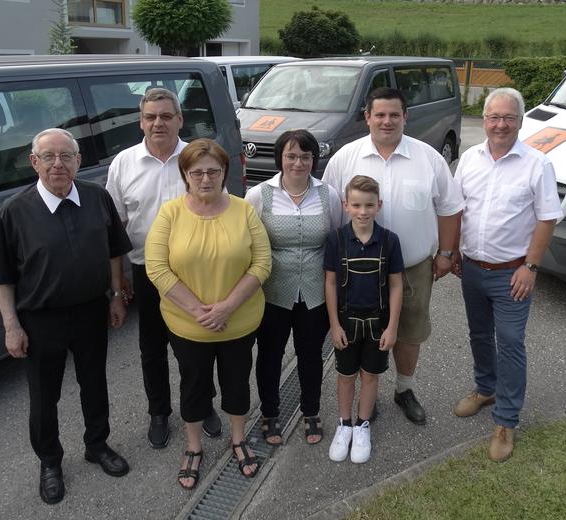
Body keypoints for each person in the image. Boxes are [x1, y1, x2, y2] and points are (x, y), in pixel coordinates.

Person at [0, 128, 133, 505]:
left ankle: (97, 445)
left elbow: (115, 251)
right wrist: (11, 327)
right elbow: (2, 278)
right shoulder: (15, 212)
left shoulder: (97, 198)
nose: (58, 164)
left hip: (90, 311)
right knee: (43, 397)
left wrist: (117, 295)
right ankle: (50, 461)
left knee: (94, 383)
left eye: (66, 156)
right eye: (48, 157)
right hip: (40, 320)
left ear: (78, 161)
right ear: (34, 162)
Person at [322, 87, 464, 425]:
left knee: (409, 331)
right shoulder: (345, 157)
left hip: (412, 267)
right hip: (355, 270)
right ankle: (366, 395)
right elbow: (329, 208)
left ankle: (404, 389)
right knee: (361, 332)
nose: (387, 121)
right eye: (380, 114)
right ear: (367, 117)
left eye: (394, 115)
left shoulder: (428, 158)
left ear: (405, 117)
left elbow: (450, 207)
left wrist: (446, 252)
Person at [145, 138, 271, 490]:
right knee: (193, 385)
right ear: (185, 174)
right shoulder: (170, 213)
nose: (205, 179)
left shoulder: (244, 210)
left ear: (224, 173)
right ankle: (194, 446)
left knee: (236, 381)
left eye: (213, 171)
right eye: (196, 172)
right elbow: (156, 268)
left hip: (239, 321)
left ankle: (238, 438)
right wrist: (200, 311)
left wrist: (227, 307)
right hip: (188, 326)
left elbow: (262, 262)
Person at [106, 87, 222, 449]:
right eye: (151, 116)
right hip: (146, 272)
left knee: (197, 347)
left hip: (196, 271)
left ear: (179, 120)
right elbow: (116, 229)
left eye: (166, 116)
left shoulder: (195, 159)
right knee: (152, 348)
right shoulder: (123, 164)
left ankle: (202, 406)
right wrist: (117, 283)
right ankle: (159, 411)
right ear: (141, 121)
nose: (159, 123)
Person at [451, 88, 562, 462]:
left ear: (520, 120)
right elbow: (456, 208)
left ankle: (506, 420)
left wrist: (531, 266)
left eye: (508, 118)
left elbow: (547, 217)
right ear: (484, 120)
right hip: (471, 268)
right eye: (494, 117)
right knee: (480, 333)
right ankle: (485, 389)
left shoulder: (537, 164)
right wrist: (450, 252)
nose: (501, 125)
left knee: (511, 343)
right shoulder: (469, 159)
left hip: (512, 273)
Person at [245, 129, 342, 446]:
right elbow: (249, 244)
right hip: (273, 291)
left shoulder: (328, 194)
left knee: (311, 355)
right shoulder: (260, 195)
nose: (298, 162)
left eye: (305, 156)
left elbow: (337, 239)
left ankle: (311, 410)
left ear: (314, 159)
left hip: (315, 291)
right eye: (291, 155)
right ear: (280, 158)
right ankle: (269, 414)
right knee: (270, 355)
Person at [324, 176, 404, 463]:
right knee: (345, 376)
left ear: (379, 205)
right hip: (346, 322)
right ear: (346, 206)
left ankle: (362, 424)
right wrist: (334, 324)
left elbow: (395, 285)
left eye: (369, 205)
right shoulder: (336, 239)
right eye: (356, 205)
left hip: (378, 323)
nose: (363, 211)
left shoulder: (390, 241)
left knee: (370, 375)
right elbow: (330, 283)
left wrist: (392, 326)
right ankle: (344, 424)